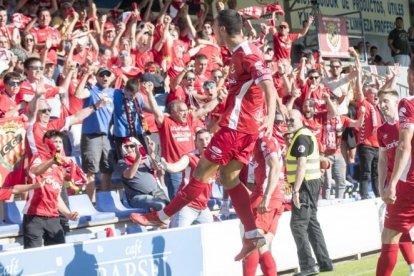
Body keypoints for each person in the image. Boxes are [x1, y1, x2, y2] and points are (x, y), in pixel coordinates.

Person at [130, 9, 285, 261]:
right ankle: (252, 232)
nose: (213, 32)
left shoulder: (248, 53)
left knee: (201, 171)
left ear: (222, 29)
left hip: (237, 128)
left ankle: (161, 217)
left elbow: (267, 82)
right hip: (246, 129)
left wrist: (269, 116)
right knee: (228, 178)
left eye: (214, 27)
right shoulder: (240, 53)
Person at [286, 109, 333, 275]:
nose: (288, 122)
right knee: (311, 222)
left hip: (305, 184)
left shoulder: (301, 137)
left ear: (300, 119)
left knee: (298, 225)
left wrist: (296, 191)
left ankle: (308, 266)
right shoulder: (303, 134)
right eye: (287, 120)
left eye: (292, 119)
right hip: (310, 182)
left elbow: (301, 164)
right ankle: (324, 262)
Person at [376, 89, 414, 276]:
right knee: (396, 230)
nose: (382, 105)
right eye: (380, 102)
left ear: (396, 102)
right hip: (396, 187)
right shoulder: (381, 131)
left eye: (386, 101)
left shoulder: (406, 124)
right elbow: (382, 160)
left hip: (406, 185)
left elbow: (404, 148)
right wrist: (381, 185)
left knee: (391, 232)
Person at [24, 130, 79, 249]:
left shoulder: (60, 169)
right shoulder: (38, 158)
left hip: (53, 217)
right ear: (46, 144)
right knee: (33, 257)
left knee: (59, 254)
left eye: (60, 142)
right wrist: (52, 161)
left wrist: (68, 214)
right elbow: (36, 171)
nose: (58, 144)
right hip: (35, 215)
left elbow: (56, 197)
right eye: (55, 141)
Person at [242, 131, 285, 276]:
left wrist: (266, 196)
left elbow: (275, 166)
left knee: (252, 242)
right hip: (272, 196)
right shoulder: (259, 142)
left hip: (269, 196)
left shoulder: (265, 140)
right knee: (262, 245)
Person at [163, 129, 215, 228]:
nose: (205, 142)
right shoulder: (190, 157)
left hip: (203, 208)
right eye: (201, 140)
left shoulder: (214, 158)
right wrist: (166, 166)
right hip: (186, 206)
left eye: (207, 139)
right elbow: (176, 167)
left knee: (210, 236)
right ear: (195, 142)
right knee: (179, 237)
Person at [118, 137, 169, 211]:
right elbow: (129, 175)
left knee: (171, 207)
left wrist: (152, 153)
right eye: (126, 147)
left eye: (132, 146)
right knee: (160, 205)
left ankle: (161, 220)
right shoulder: (122, 162)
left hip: (157, 192)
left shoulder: (147, 158)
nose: (129, 149)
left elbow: (157, 168)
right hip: (138, 197)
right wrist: (138, 160)